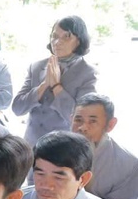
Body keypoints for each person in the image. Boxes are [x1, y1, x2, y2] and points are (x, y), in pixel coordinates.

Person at [12, 15, 97, 146]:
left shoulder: (88, 73)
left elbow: (82, 119)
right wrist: (43, 85)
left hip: (63, 147)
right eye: (54, 36)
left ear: (79, 41)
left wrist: (57, 87)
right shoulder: (36, 67)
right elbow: (17, 109)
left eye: (66, 37)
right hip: (31, 145)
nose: (57, 42)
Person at [71, 93, 138, 199]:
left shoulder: (129, 164)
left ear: (110, 125)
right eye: (78, 120)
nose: (83, 128)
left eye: (93, 121)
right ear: (71, 118)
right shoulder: (52, 149)